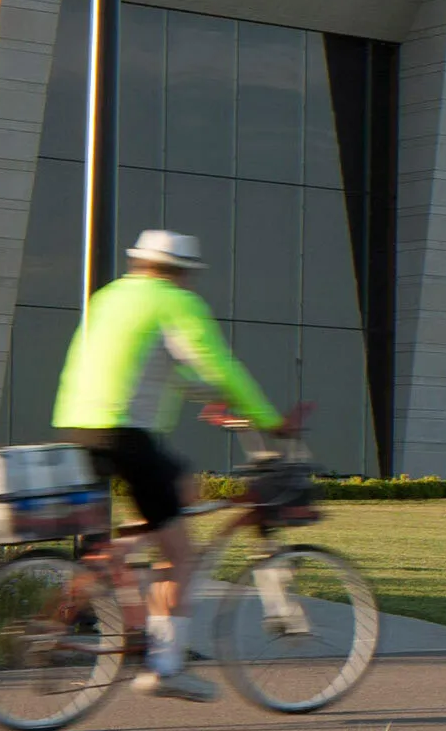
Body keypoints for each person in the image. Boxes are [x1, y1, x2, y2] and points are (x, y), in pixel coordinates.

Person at [53, 229, 286, 700]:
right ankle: (165, 666)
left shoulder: (112, 296)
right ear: (181, 272)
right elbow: (215, 362)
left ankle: (97, 593)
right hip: (125, 434)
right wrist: (268, 419)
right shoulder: (175, 301)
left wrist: (208, 398)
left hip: (78, 425)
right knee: (182, 552)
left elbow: (162, 365)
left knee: (180, 494)